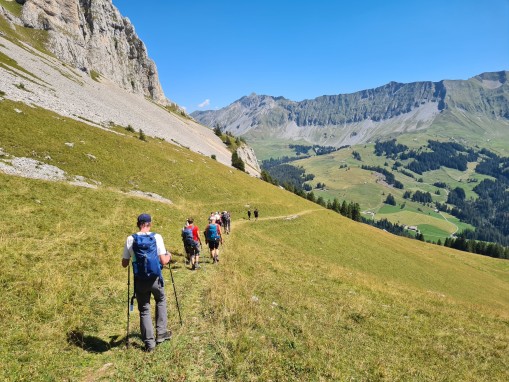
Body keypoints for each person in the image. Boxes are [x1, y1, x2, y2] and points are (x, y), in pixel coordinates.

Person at [122, 213, 172, 352]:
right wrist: (169, 256)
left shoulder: (130, 239)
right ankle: (161, 333)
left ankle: (149, 344)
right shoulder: (157, 237)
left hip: (140, 280)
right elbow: (163, 261)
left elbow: (124, 263)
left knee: (144, 309)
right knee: (160, 301)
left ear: (138, 223)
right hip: (155, 278)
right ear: (149, 223)